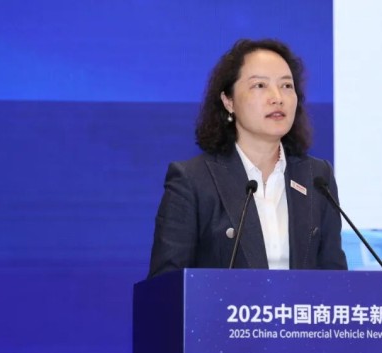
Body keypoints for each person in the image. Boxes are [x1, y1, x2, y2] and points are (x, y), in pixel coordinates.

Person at [148, 38, 347, 277]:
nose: (277, 97)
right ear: (228, 101)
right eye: (260, 85)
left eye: (286, 85)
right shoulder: (193, 180)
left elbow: (336, 279)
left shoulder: (317, 178)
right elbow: (166, 283)